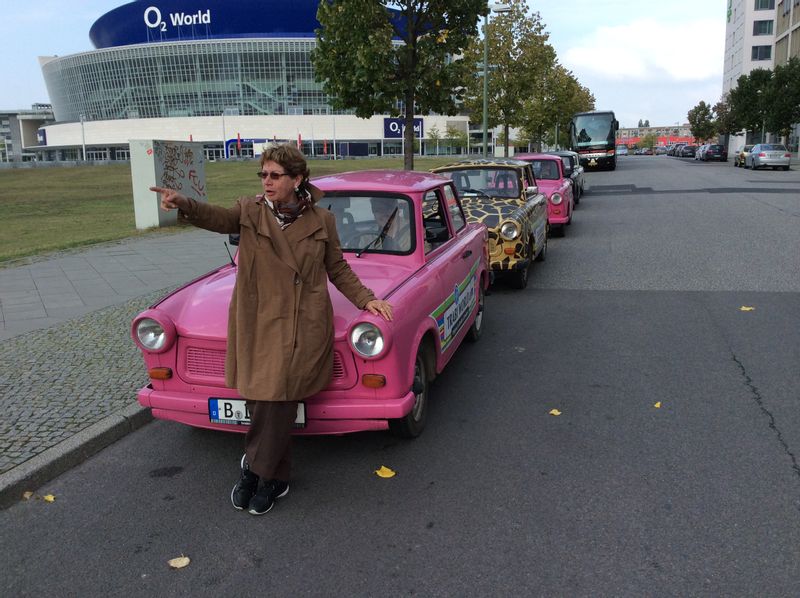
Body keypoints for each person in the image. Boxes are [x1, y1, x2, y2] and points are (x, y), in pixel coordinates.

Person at [150, 144, 393, 516]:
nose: (267, 181)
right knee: (264, 397)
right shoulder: (250, 212)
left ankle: (256, 470)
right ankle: (272, 475)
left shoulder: (322, 221)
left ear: (297, 180)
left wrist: (366, 299)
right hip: (259, 320)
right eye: (263, 174)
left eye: (275, 175)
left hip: (303, 320)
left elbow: (338, 268)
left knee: (278, 396)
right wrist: (184, 202)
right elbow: (217, 217)